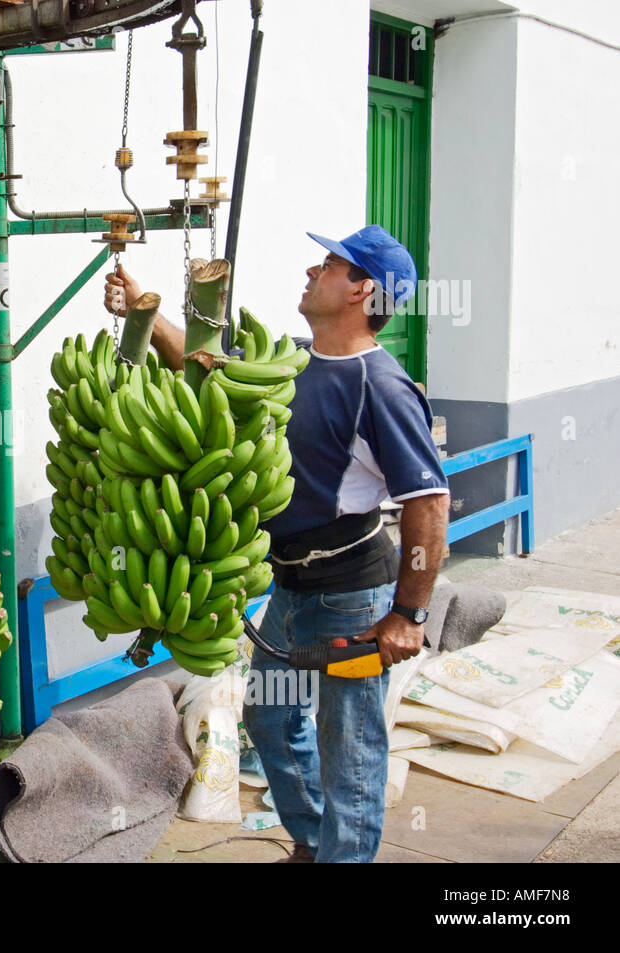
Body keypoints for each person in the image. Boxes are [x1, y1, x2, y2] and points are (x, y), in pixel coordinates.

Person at [103, 225, 450, 863]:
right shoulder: (294, 363)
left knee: (349, 748)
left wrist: (408, 613)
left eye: (329, 266)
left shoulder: (382, 385)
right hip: (289, 589)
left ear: (361, 291)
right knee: (268, 721)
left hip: (354, 598)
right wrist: (147, 311)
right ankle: (317, 844)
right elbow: (208, 369)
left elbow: (429, 500)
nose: (312, 272)